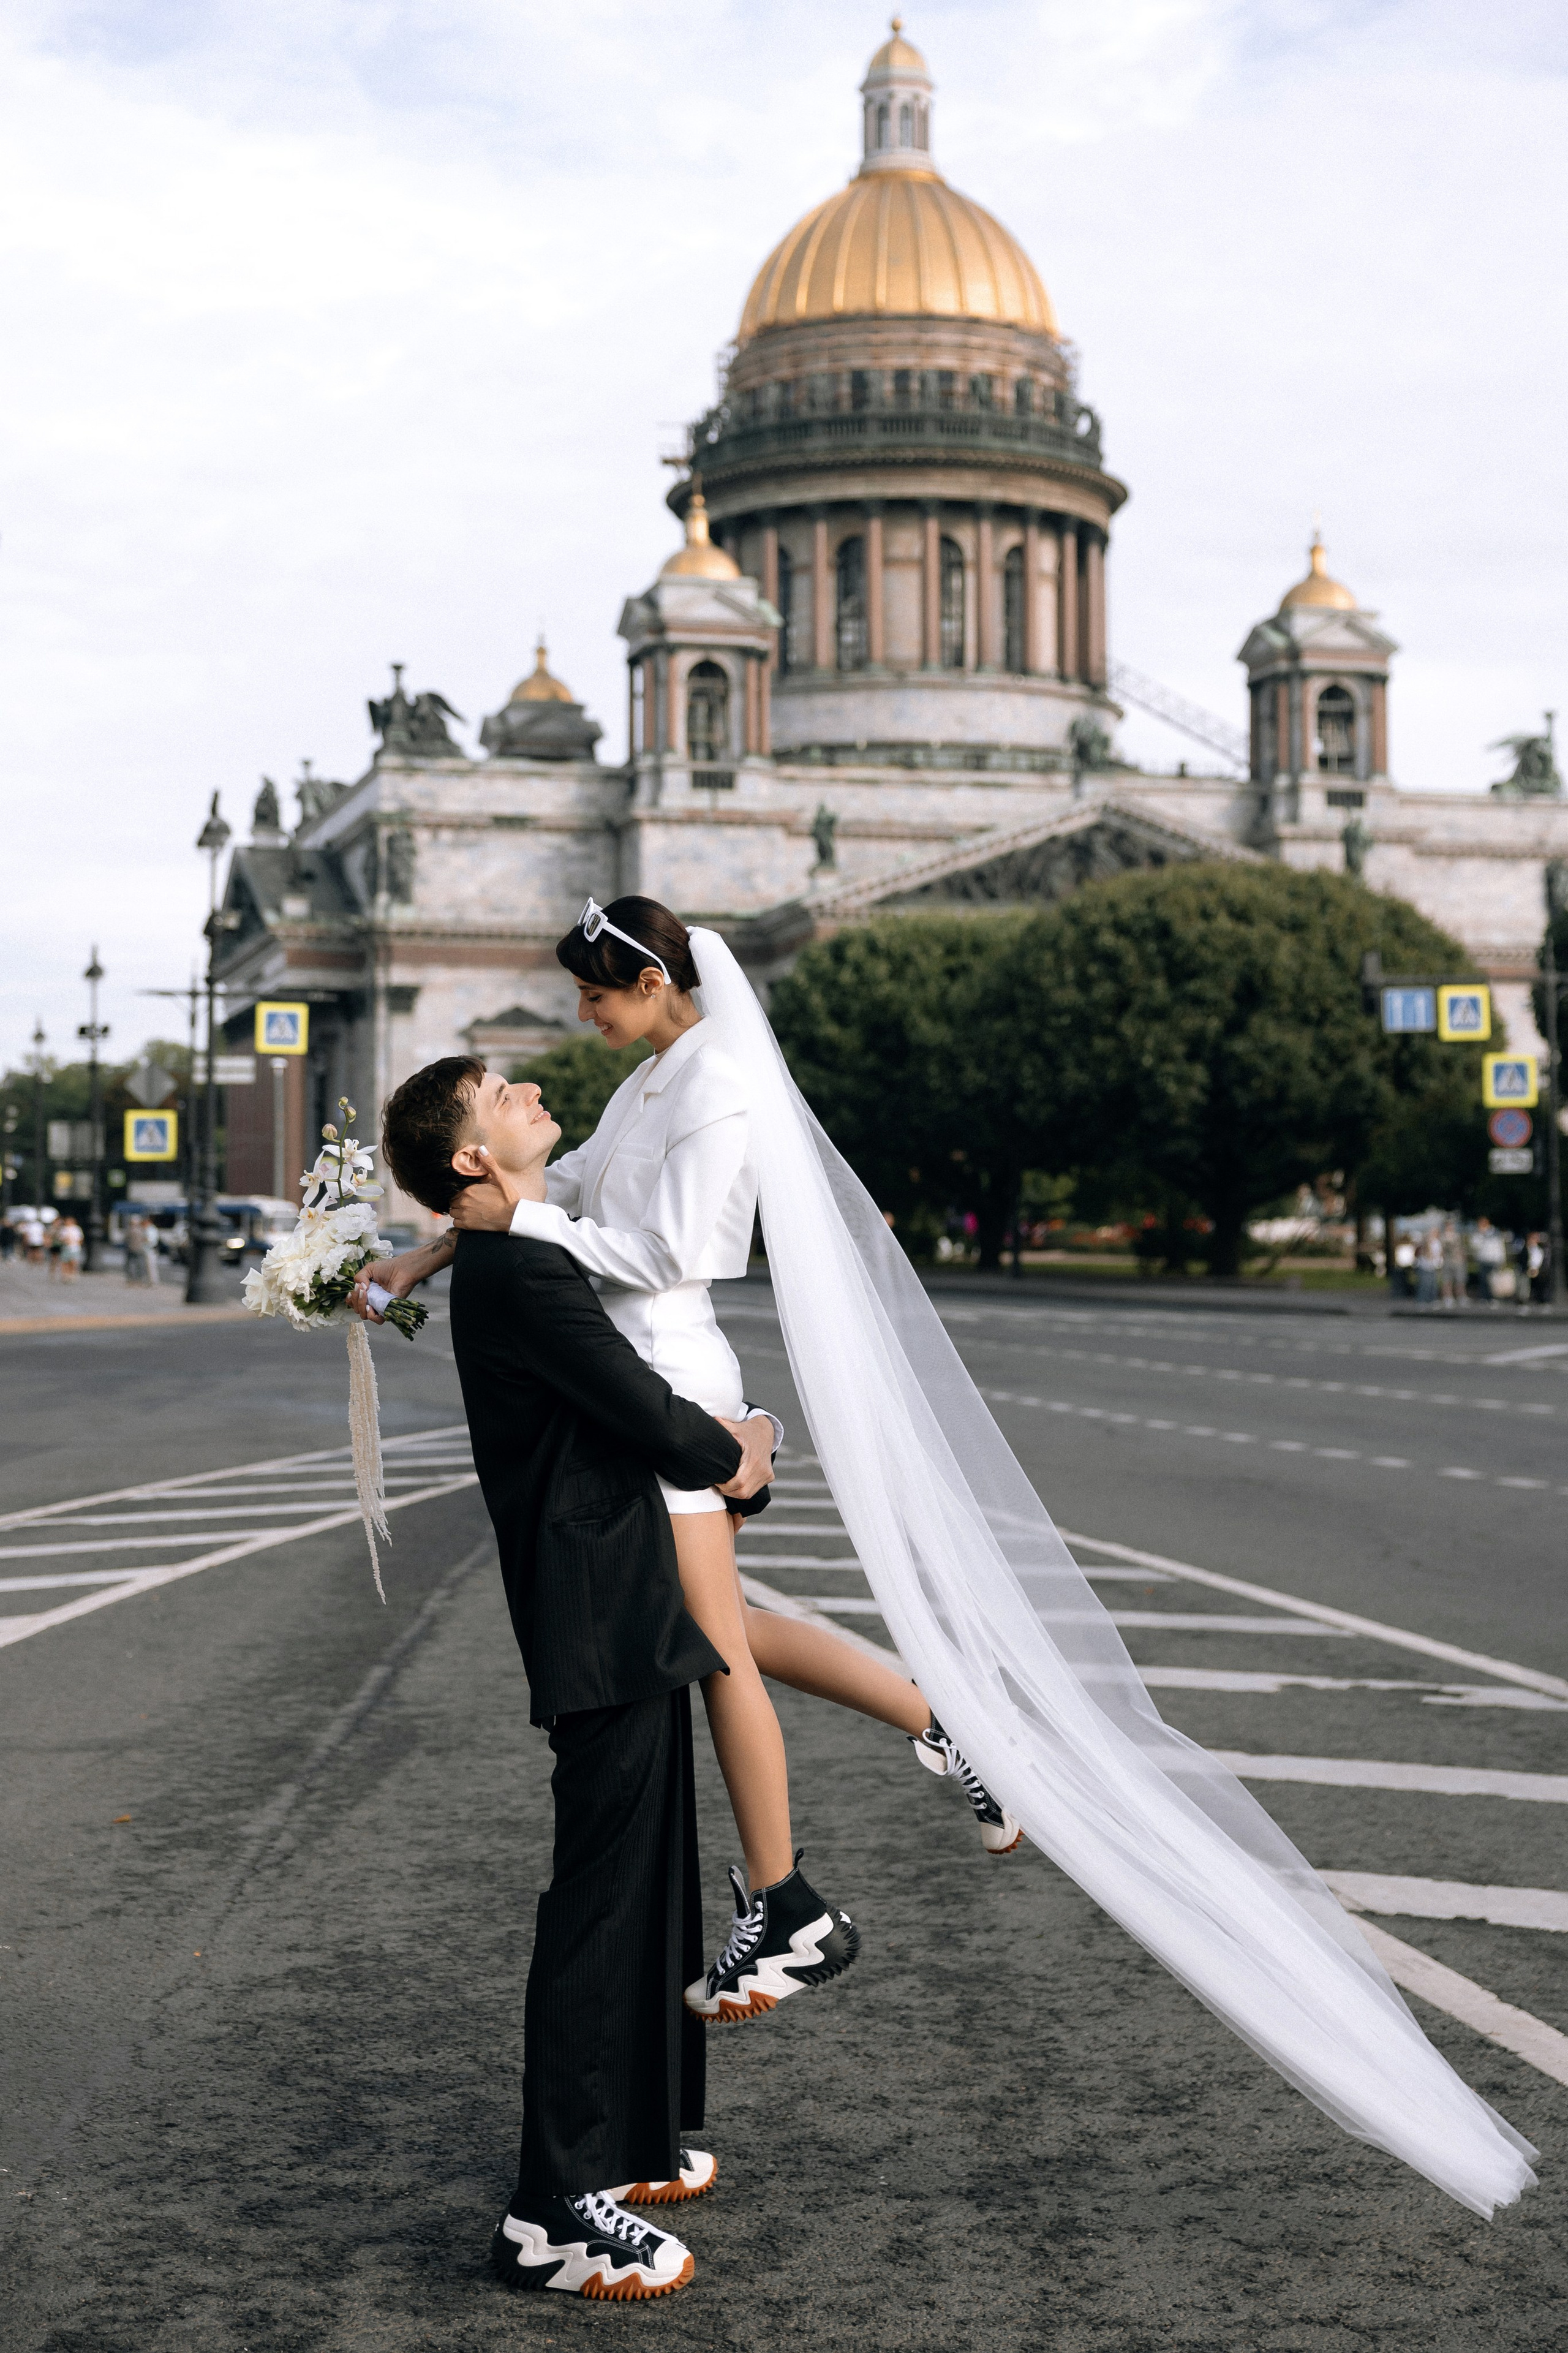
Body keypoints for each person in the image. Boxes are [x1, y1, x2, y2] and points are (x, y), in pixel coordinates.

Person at [361, 896, 1020, 2021]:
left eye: (598, 993)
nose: (586, 1013)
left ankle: (787, 1903)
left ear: (657, 983)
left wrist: (504, 1229)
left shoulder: (718, 1078)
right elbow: (555, 1193)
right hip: (647, 1383)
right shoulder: (647, 1080)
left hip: (667, 1378)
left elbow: (671, 1249)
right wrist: (429, 1255)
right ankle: (940, 1722)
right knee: (722, 1625)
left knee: (716, 1650)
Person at [379, 1053, 815, 2301]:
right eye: (498, 1092)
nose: (524, 1092)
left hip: (614, 1593)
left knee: (650, 1876)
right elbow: (639, 1403)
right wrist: (746, 1446)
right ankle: (552, 2208)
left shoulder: (509, 1247)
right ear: (472, 1157)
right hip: (597, 1605)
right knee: (600, 1902)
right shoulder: (521, 1267)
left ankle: (631, 2145)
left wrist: (422, 1252)